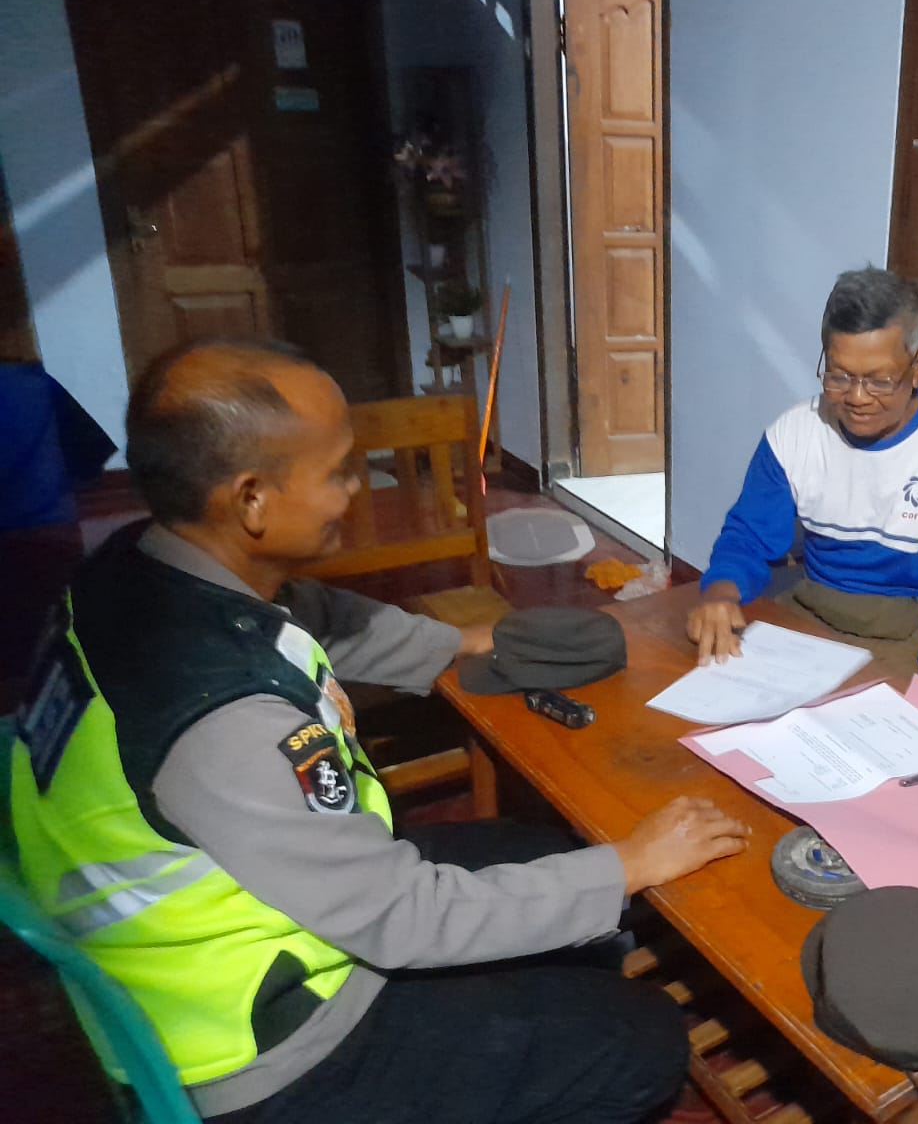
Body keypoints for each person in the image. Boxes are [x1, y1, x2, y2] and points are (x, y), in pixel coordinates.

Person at [9, 339, 751, 1124]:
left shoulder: (137, 563)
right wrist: (630, 865)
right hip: (268, 1048)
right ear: (252, 499)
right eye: (338, 472)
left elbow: (308, 616)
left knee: (545, 854)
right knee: (640, 1037)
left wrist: (459, 644)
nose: (357, 489)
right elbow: (403, 918)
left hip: (238, 921)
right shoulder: (225, 717)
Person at [688, 267, 918, 700]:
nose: (856, 398)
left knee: (884, 733)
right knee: (717, 694)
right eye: (839, 376)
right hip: (813, 610)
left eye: (879, 380)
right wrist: (721, 592)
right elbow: (747, 537)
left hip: (911, 631)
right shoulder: (795, 433)